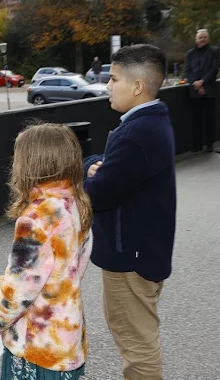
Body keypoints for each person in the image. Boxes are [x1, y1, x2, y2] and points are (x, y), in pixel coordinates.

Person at [0, 123, 93, 380]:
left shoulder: (38, 217)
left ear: (29, 165)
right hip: (66, 341)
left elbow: (17, 295)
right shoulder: (76, 203)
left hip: (36, 348)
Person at [84, 44, 175, 380]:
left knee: (138, 347)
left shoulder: (136, 133)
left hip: (131, 260)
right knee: (139, 338)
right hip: (145, 250)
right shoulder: (153, 121)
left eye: (114, 78)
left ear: (137, 86)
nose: (108, 85)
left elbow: (100, 192)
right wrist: (98, 166)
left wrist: (91, 168)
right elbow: (115, 176)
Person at [184, 29, 219, 153]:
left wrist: (202, 82)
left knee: (209, 119)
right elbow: (187, 71)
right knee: (195, 119)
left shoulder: (214, 52)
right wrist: (196, 83)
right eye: (200, 37)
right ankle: (196, 145)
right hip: (194, 91)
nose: (202, 39)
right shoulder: (190, 53)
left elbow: (214, 69)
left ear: (208, 39)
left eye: (204, 37)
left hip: (209, 89)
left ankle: (209, 144)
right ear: (196, 39)